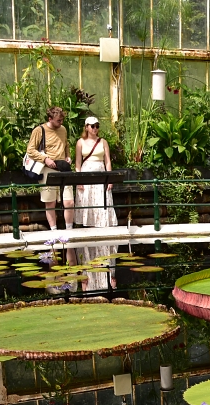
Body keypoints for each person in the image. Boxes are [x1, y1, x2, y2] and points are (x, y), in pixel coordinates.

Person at [74, 116, 118, 290]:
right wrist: (79, 180)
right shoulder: (80, 143)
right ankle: (88, 223)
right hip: (86, 174)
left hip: (100, 174)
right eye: (92, 126)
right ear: (86, 127)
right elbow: (78, 163)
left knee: (103, 198)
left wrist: (110, 177)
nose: (95, 129)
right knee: (88, 200)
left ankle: (102, 223)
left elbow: (107, 160)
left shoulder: (103, 142)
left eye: (97, 126)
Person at [26, 106, 75, 231]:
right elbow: (30, 150)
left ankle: (69, 230)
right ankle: (53, 230)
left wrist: (68, 156)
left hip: (63, 168)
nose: (61, 123)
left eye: (62, 120)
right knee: (50, 202)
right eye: (58, 120)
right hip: (48, 168)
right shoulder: (39, 130)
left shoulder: (63, 129)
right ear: (50, 119)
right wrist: (45, 159)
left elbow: (66, 144)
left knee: (69, 202)